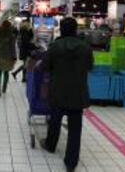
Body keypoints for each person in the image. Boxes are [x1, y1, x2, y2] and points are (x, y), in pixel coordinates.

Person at [40, 17, 94, 172]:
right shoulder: (85, 47)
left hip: (58, 91)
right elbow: (90, 66)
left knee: (55, 121)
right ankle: (71, 162)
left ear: (62, 29)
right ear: (75, 29)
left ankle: (51, 145)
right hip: (78, 93)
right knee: (75, 129)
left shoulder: (55, 46)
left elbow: (45, 66)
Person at [0, 20, 17, 98]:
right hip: (8, 56)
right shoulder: (12, 36)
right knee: (6, 72)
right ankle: (4, 88)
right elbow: (13, 47)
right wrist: (14, 57)